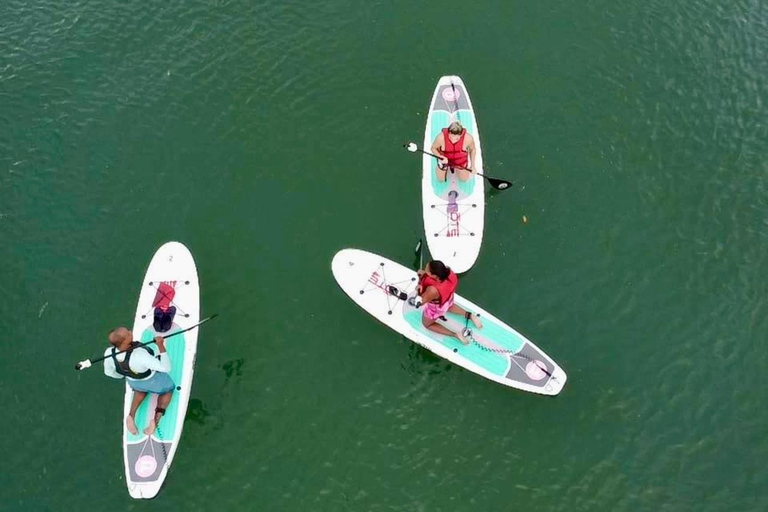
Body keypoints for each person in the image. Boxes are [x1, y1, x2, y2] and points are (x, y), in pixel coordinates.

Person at [103, 327, 175, 436]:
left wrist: (124, 376)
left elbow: (109, 373)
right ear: (124, 343)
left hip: (133, 382)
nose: (131, 332)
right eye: (128, 334)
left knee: (140, 390)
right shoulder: (140, 355)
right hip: (152, 381)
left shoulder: (109, 352)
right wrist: (160, 345)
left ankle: (131, 415)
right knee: (168, 390)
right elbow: (166, 368)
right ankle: (155, 420)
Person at [413, 260, 482, 344]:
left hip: (436, 308)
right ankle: (470, 315)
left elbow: (422, 301)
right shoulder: (449, 273)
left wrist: (419, 288)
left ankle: (454, 334)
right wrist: (424, 274)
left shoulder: (432, 290)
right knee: (449, 306)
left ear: (434, 275)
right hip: (448, 299)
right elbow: (438, 282)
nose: (425, 269)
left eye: (427, 270)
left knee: (427, 324)